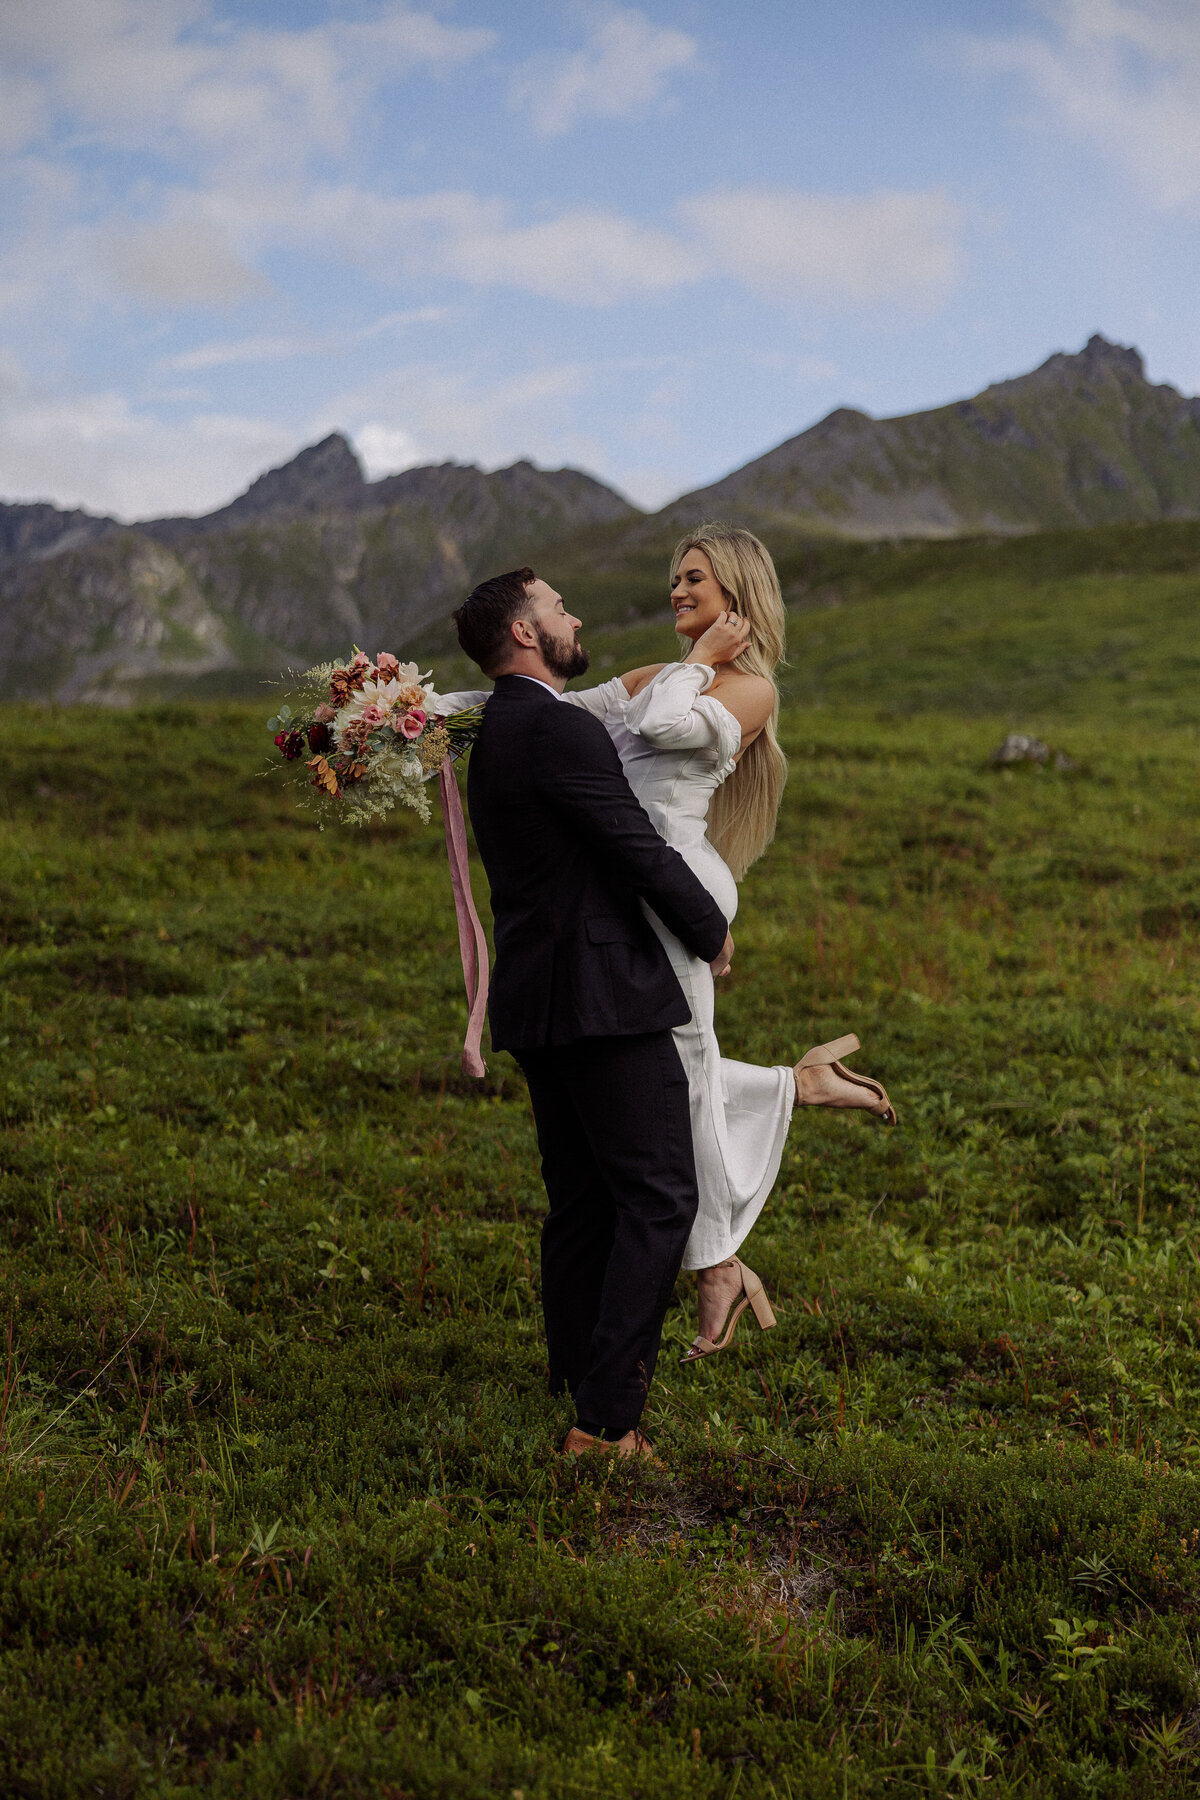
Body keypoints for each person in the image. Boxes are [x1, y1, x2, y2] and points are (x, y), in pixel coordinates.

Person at [440, 530, 895, 1368]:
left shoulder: (748, 690)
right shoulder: (663, 672)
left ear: (737, 593)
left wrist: (702, 660)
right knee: (665, 1076)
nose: (678, 590)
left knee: (672, 1075)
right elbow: (545, 710)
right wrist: (408, 714)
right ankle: (787, 1114)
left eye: (695, 579)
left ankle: (718, 1260)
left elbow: (661, 724)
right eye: (675, 577)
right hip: (625, 889)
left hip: (675, 883)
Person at [451, 567, 732, 1460]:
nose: (576, 616)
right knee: (658, 1197)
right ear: (528, 635)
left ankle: (577, 1375)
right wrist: (707, 925)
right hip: (604, 996)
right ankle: (606, 1425)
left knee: (581, 1203)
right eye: (559, 608)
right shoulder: (558, 730)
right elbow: (630, 844)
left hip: (536, 998)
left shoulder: (493, 732)